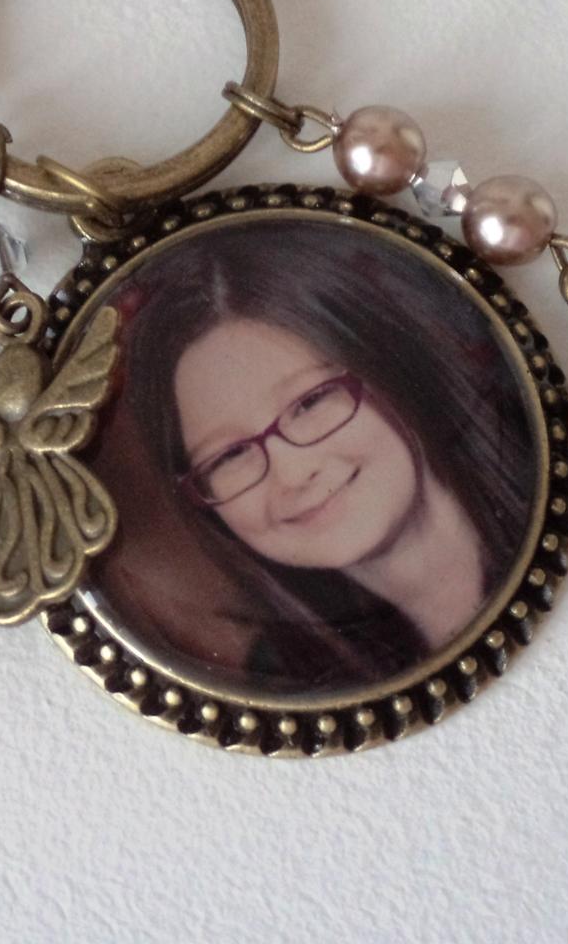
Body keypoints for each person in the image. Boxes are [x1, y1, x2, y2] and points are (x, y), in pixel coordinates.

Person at [99, 217, 538, 692]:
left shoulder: (544, 489)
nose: (291, 473)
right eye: (229, 455)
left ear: (389, 364)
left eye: (309, 403)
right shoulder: (282, 683)